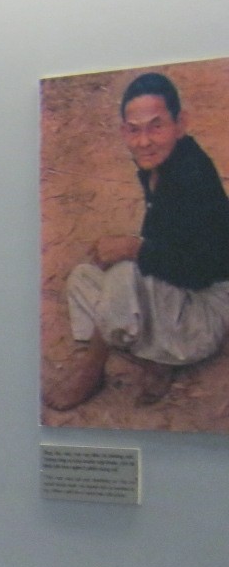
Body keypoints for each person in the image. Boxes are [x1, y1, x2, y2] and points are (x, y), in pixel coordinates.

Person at [48, 71, 229, 410]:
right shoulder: (160, 163)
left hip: (205, 311)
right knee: (83, 279)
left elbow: (205, 270)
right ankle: (156, 358)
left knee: (123, 272)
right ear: (124, 132)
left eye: (156, 127)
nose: (144, 141)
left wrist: (135, 249)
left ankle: (93, 368)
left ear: (180, 124)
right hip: (175, 300)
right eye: (134, 130)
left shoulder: (192, 176)